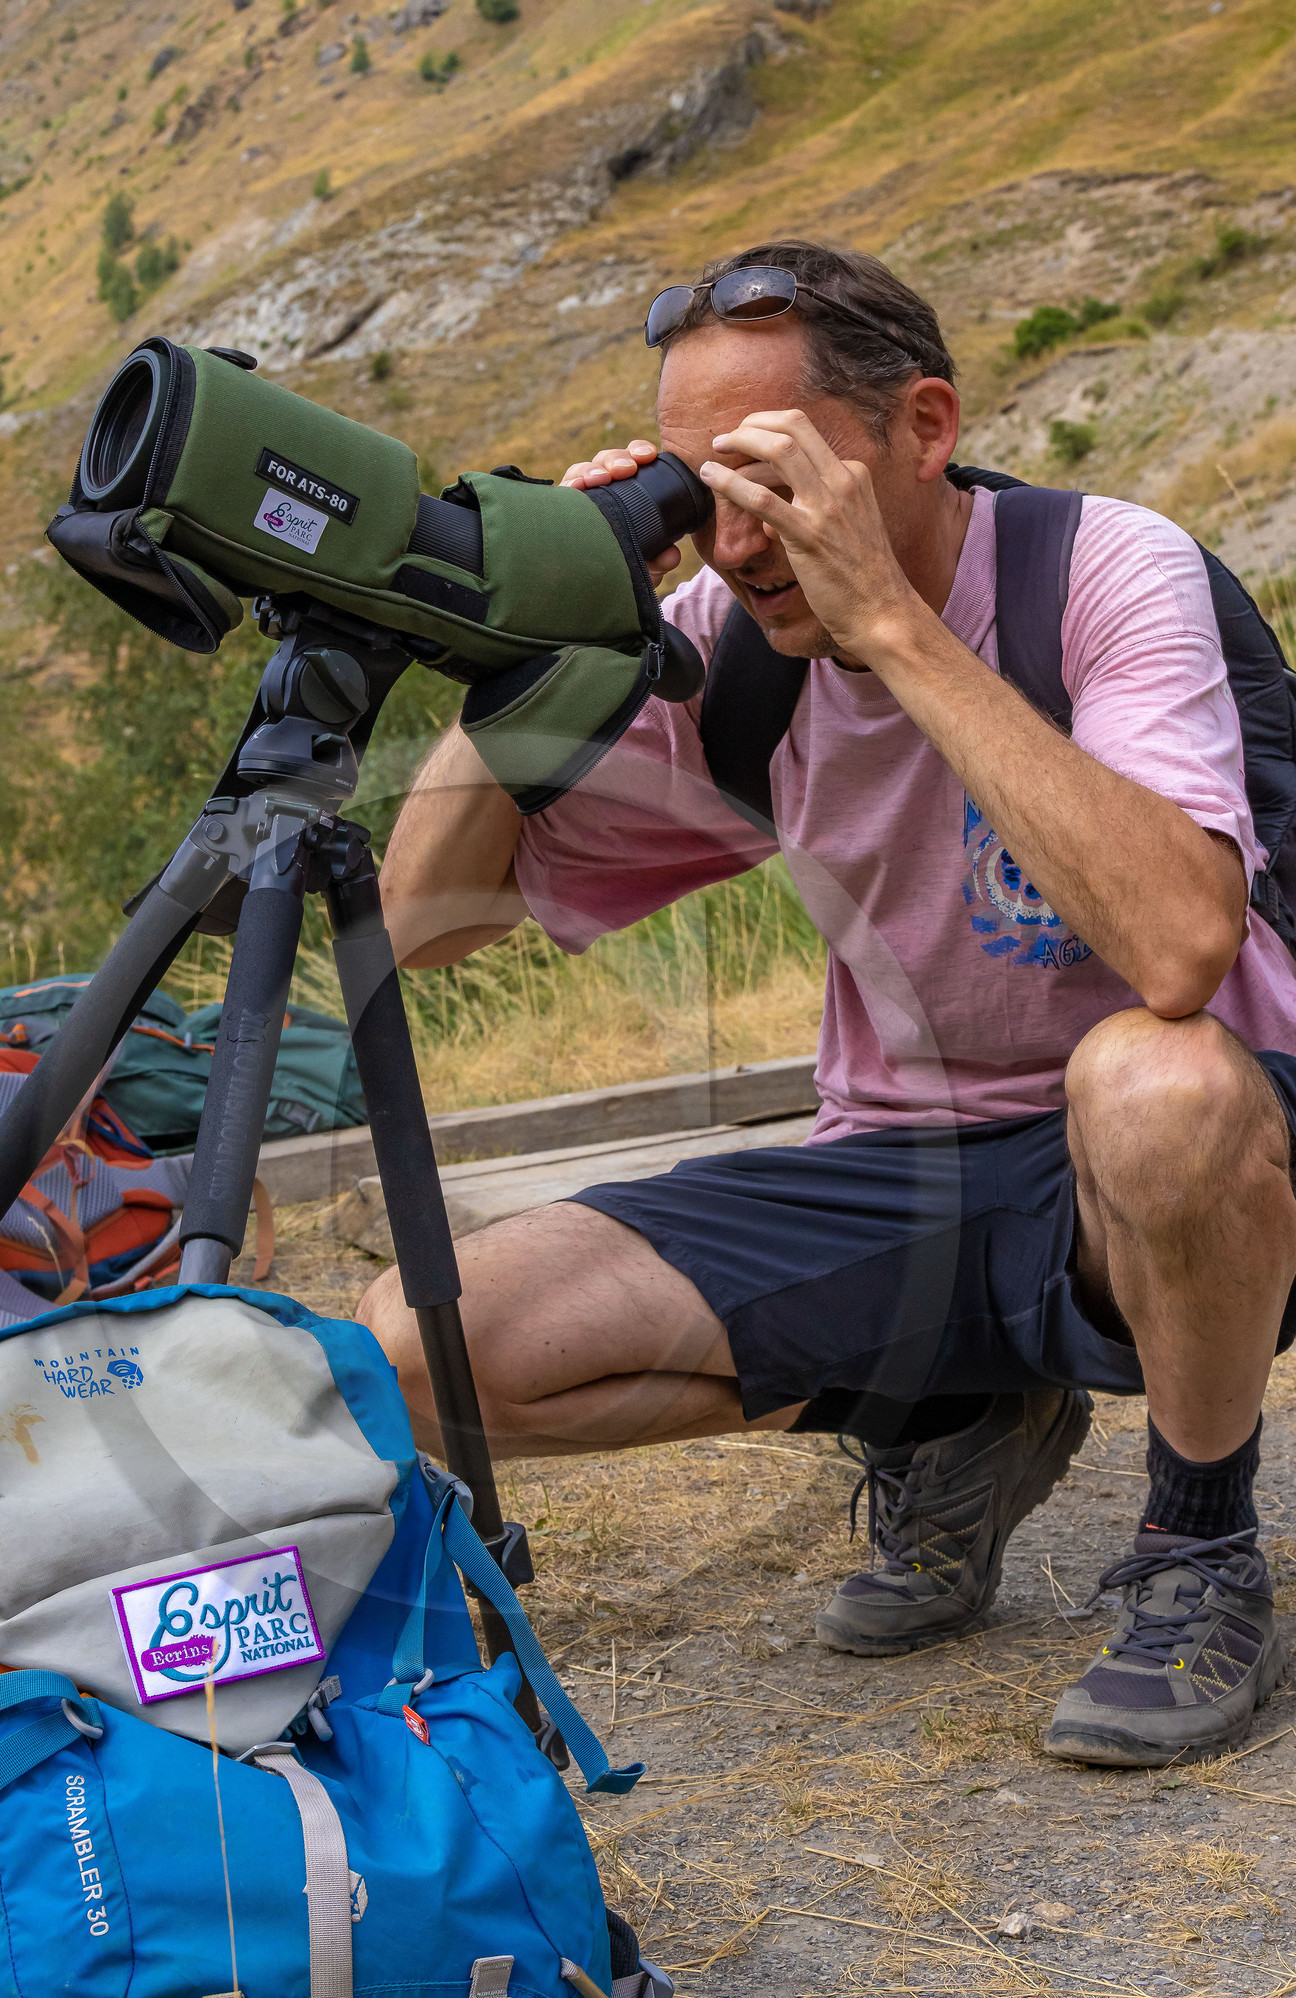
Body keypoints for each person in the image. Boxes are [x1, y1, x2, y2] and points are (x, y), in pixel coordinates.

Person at [360, 239, 1296, 1769]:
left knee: (1154, 1084)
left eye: (769, 476)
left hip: (1209, 1158)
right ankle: (960, 1421)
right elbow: (419, 920)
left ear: (923, 429)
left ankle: (1197, 1550)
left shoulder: (1105, 571)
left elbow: (1182, 946)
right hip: (911, 1169)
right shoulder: (743, 657)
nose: (730, 542)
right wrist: (532, 650)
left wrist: (896, 631)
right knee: (413, 1350)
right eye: (690, 489)